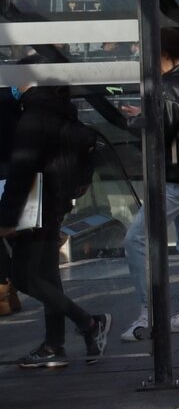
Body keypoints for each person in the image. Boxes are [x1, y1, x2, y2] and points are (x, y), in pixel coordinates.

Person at [4, 85, 110, 370]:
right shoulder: (61, 111)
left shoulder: (32, 117)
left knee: (25, 278)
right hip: (54, 201)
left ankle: (88, 322)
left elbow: (21, 169)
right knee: (48, 275)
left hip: (34, 206)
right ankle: (54, 344)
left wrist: (7, 217)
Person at [121, 26, 179, 339]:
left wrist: (139, 120)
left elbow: (164, 130)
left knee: (136, 238)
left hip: (177, 177)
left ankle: (149, 312)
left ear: (160, 52)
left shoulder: (171, 84)